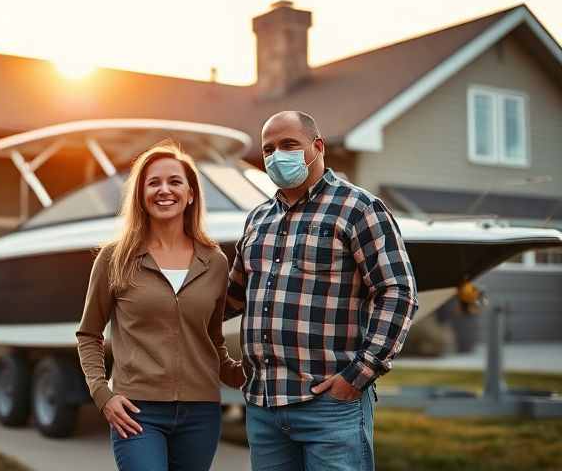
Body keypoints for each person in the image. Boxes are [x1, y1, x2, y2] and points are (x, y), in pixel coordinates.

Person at [226, 111, 418, 471]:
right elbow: (231, 298)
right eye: (268, 149)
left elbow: (397, 293)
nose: (276, 156)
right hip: (264, 407)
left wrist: (359, 374)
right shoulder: (257, 219)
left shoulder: (359, 208)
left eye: (288, 145)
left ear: (317, 147)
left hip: (330, 406)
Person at [76, 139, 245, 471]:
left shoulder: (215, 261)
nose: (163, 189)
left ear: (191, 193)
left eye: (174, 181)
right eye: (153, 182)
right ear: (140, 194)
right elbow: (89, 334)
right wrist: (102, 393)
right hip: (137, 412)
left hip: (201, 413)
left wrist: (248, 372)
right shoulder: (115, 257)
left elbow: (212, 341)